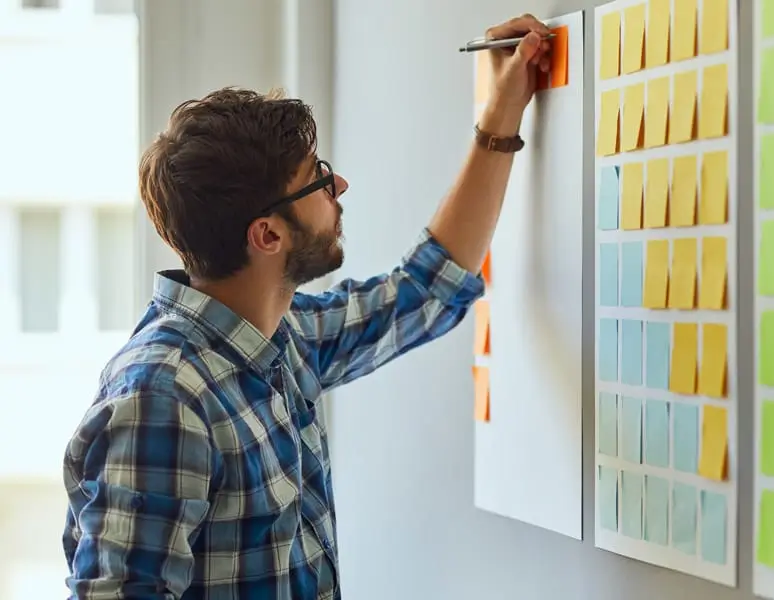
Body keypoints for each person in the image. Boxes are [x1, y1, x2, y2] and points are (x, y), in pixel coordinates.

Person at [58, 14, 551, 599]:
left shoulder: (278, 337)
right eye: (317, 179)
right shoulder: (162, 398)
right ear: (267, 235)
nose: (339, 186)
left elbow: (426, 288)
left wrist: (501, 114)